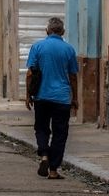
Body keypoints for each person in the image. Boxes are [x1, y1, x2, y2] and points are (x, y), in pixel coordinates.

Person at [26, 17, 78, 180]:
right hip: (62, 98)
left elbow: (30, 73)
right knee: (60, 134)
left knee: (41, 128)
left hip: (41, 96)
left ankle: (44, 155)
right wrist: (74, 97)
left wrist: (28, 95)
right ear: (62, 32)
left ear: (47, 31)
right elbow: (73, 76)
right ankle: (54, 171)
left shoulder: (38, 46)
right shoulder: (69, 49)